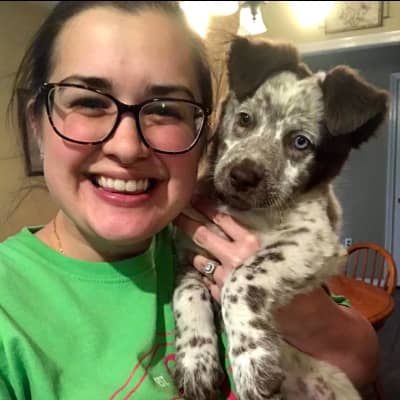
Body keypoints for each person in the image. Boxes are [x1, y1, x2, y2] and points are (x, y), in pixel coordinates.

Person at [0, 1, 378, 399]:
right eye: (90, 102)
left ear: (203, 131)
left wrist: (286, 305)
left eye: (165, 109)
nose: (126, 146)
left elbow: (362, 361)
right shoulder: (10, 310)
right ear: (36, 124)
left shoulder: (235, 235)